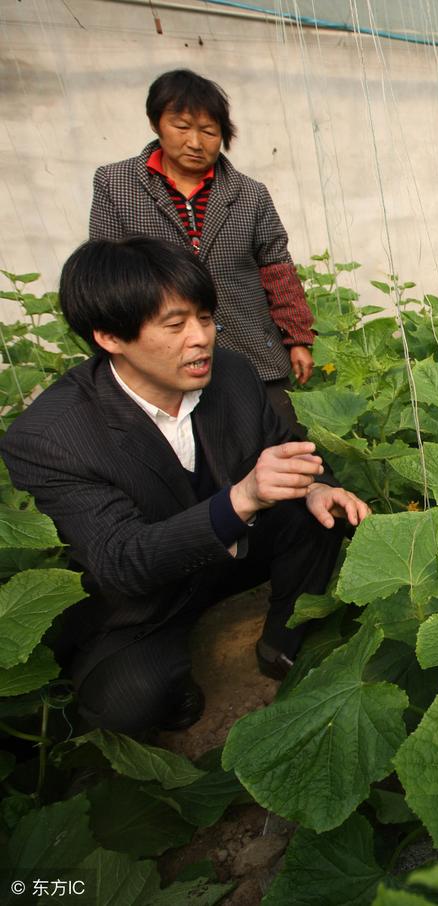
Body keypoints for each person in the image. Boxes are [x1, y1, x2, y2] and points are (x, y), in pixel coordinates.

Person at [0, 237, 369, 736]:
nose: (200, 338)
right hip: (147, 595)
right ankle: (169, 680)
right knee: (129, 705)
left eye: (205, 318)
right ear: (110, 336)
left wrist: (317, 487)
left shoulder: (233, 375)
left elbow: (288, 447)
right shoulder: (50, 436)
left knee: (324, 512)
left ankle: (285, 635)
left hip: (231, 556)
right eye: (175, 325)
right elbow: (121, 561)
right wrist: (242, 498)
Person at [89, 69, 314, 427]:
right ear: (155, 123)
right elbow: (104, 273)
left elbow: (276, 267)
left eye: (209, 131)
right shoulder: (117, 184)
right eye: (181, 127)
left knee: (281, 444)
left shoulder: (249, 193)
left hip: (251, 347)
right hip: (163, 355)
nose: (196, 142)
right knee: (192, 456)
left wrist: (297, 338)